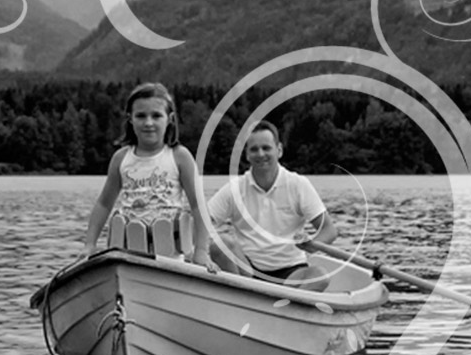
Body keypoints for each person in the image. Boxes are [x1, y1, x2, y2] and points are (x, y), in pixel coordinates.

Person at [81, 82, 215, 271]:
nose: (148, 123)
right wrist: (89, 245)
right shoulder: (121, 159)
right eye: (141, 116)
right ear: (130, 119)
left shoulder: (179, 157)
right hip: (128, 257)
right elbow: (104, 204)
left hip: (171, 258)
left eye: (156, 116)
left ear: (169, 119)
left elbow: (198, 205)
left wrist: (201, 251)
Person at [207, 121, 338, 291]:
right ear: (246, 154)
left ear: (279, 150)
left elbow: (329, 230)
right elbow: (202, 222)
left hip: (291, 271)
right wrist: (201, 255)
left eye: (266, 148)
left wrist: (312, 243)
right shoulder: (235, 188)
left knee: (321, 276)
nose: (260, 154)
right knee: (220, 243)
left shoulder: (298, 185)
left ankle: (275, 308)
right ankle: (248, 297)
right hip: (248, 271)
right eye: (254, 149)